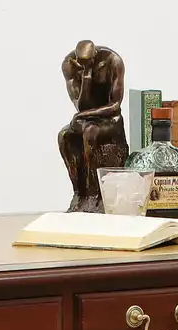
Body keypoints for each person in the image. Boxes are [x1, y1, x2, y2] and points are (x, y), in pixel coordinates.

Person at [58, 41, 129, 212]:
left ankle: (94, 193)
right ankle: (79, 191)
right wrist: (86, 75)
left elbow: (115, 105)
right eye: (81, 63)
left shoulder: (113, 61)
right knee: (64, 136)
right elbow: (82, 105)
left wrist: (82, 116)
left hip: (111, 119)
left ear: (96, 55)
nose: (84, 65)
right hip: (87, 117)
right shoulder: (69, 66)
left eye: (88, 62)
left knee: (90, 133)